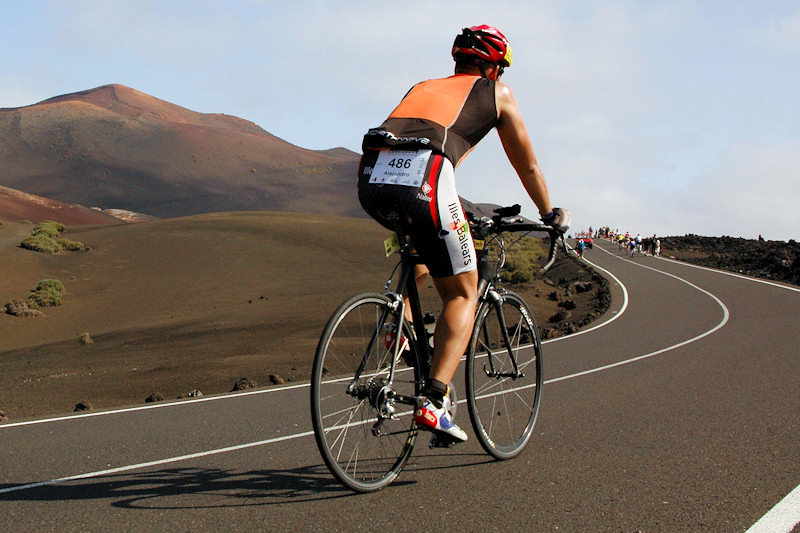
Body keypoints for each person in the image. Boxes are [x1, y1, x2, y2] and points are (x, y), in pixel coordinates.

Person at [357, 25, 571, 443]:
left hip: (370, 176)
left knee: (428, 247)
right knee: (462, 292)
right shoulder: (497, 93)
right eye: (501, 70)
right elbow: (527, 165)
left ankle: (400, 322)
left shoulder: (422, 85)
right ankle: (434, 401)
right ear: (494, 67)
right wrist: (549, 214)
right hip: (427, 176)